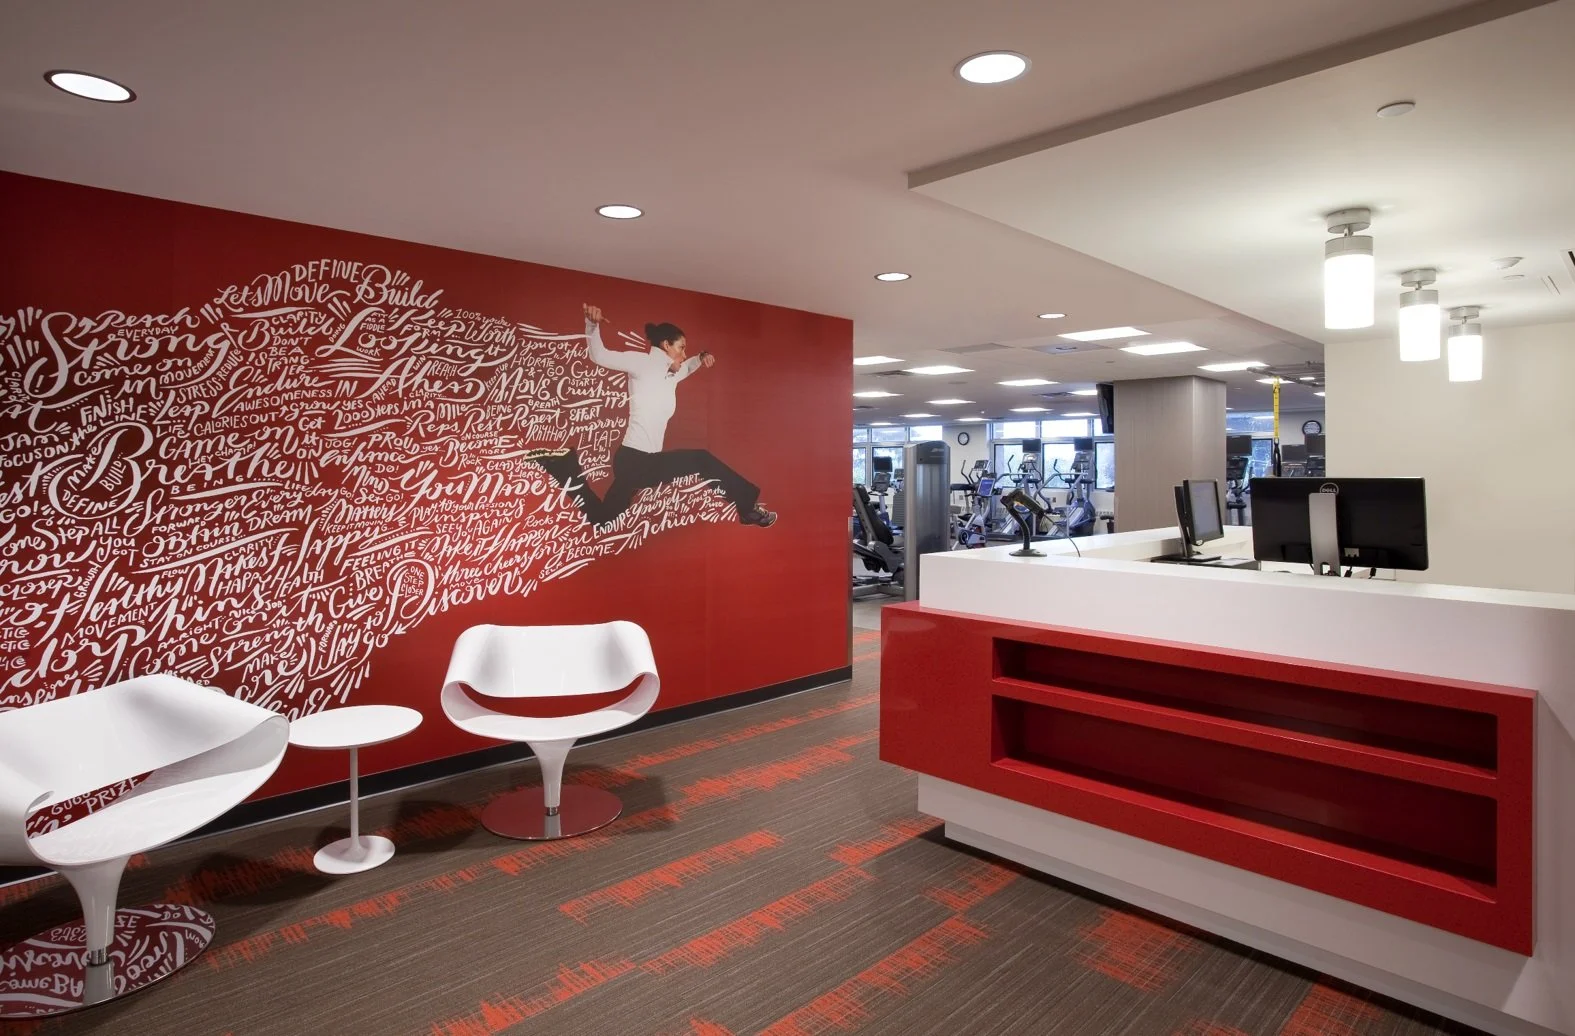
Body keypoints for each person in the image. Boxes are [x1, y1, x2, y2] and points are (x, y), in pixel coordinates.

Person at [536, 303, 777, 529]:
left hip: (637, 462)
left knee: (602, 519)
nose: (684, 354)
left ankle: (564, 465)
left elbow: (688, 367)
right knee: (701, 460)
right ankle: (747, 507)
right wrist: (592, 324)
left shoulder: (670, 376)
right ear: (665, 345)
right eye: (681, 347)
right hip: (636, 461)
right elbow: (600, 356)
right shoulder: (641, 363)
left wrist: (701, 357)